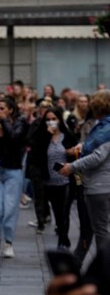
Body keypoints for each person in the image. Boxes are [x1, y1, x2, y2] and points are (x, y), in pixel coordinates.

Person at [59, 89, 110, 251]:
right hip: (98, 184)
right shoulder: (101, 126)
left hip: (100, 185)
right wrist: (83, 146)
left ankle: (104, 269)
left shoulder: (106, 128)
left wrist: (72, 167)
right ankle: (79, 263)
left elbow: (98, 156)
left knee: (99, 231)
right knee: (91, 230)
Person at [28, 108, 78, 248]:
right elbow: (35, 156)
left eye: (54, 119)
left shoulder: (67, 136)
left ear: (60, 120)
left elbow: (78, 154)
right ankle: (62, 235)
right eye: (48, 119)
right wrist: (45, 136)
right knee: (57, 212)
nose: (51, 122)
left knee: (65, 211)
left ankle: (63, 240)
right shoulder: (42, 137)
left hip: (67, 180)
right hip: (50, 181)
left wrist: (71, 153)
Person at [0, 96, 28, 258]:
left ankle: (9, 242)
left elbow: (14, 138)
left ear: (10, 110)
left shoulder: (20, 124)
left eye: (2, 108)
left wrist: (4, 122)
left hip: (12, 170)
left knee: (10, 208)